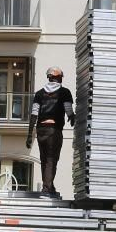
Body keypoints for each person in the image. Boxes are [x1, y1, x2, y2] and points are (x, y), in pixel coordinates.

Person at [26, 66, 75, 199]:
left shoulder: (39, 94)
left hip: (41, 129)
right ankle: (46, 189)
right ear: (59, 77)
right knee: (52, 159)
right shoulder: (64, 92)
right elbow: (68, 110)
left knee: (44, 159)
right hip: (54, 130)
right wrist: (73, 118)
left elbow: (34, 114)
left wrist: (30, 135)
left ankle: (49, 185)